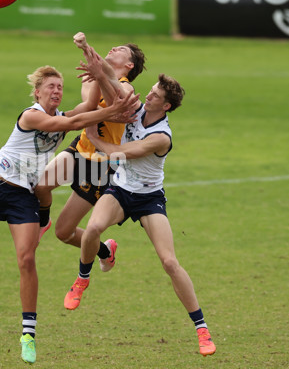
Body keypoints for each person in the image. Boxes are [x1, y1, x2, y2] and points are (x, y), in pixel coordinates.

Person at [0, 65, 138, 364]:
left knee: (27, 258)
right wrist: (111, 110)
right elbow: (71, 124)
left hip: (23, 195)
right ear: (37, 92)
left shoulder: (60, 115)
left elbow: (84, 109)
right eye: (51, 87)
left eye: (60, 87)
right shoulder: (31, 115)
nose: (57, 91)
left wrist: (99, 75)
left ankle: (28, 335)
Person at [63, 47, 217, 357]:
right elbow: (116, 87)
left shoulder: (162, 137)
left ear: (167, 105)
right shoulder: (137, 110)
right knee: (92, 229)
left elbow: (123, 153)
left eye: (155, 96)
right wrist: (94, 60)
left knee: (170, 262)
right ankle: (82, 279)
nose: (148, 97)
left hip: (148, 199)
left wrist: (93, 137)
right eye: (149, 91)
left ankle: (201, 329)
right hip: (119, 190)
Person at [35, 32, 146, 273]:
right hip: (80, 148)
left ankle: (105, 251)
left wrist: (100, 84)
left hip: (100, 165)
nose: (114, 47)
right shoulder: (92, 76)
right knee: (40, 186)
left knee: (64, 232)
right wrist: (85, 47)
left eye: (122, 49)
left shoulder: (126, 87)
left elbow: (115, 98)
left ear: (129, 65)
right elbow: (90, 103)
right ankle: (42, 222)